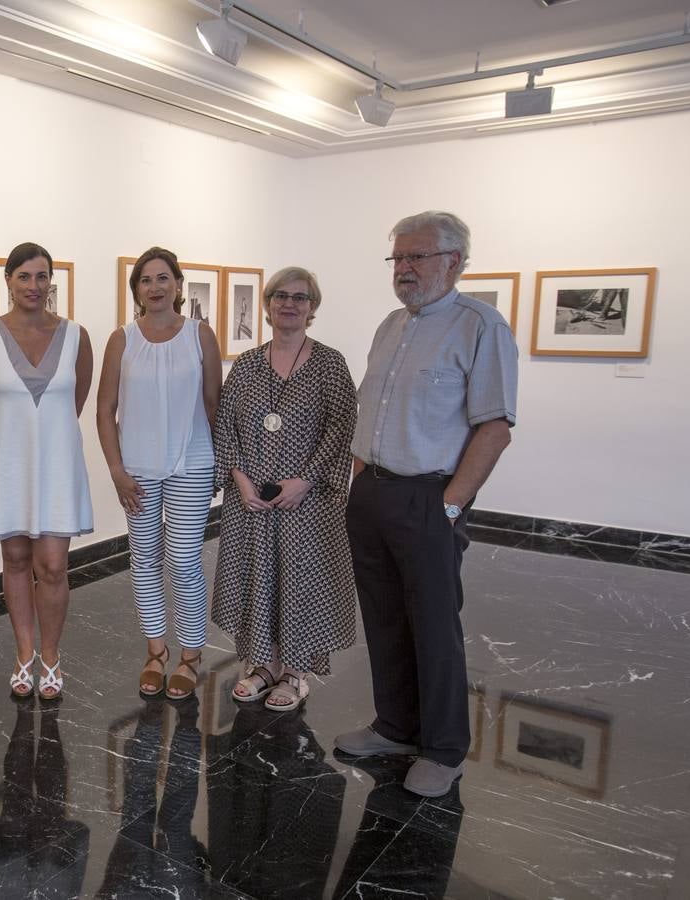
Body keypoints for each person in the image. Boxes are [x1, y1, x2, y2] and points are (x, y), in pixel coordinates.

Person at [336, 210, 518, 798]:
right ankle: (395, 727)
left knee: (434, 626)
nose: (404, 270)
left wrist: (449, 505)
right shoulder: (391, 325)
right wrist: (359, 481)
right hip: (372, 492)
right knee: (384, 618)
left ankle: (443, 749)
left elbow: (494, 427)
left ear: (454, 262)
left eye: (416, 258)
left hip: (429, 497)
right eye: (398, 258)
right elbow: (374, 415)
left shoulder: (480, 327)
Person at [211, 266, 358, 712]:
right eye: (280, 296)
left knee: (299, 581)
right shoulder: (247, 364)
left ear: (312, 308)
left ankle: (296, 672)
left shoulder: (329, 364)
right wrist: (239, 478)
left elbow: (343, 424)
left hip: (306, 502)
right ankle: (264, 665)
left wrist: (306, 479)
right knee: (260, 577)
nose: (289, 304)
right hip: (252, 500)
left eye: (300, 297)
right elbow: (226, 425)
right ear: (268, 304)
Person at [0, 242, 93, 700]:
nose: (34, 286)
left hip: (56, 467)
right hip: (9, 466)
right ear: (8, 281)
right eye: (24, 277)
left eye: (42, 277)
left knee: (54, 566)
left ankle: (52, 655)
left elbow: (73, 404)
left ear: (51, 282)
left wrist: (44, 438)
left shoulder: (77, 336)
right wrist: (17, 442)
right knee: (16, 560)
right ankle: (24, 654)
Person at [96, 247, 220, 701]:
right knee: (144, 560)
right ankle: (155, 651)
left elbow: (213, 405)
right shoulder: (121, 340)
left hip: (192, 464)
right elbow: (105, 410)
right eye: (145, 280)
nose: (155, 287)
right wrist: (116, 470)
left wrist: (220, 464)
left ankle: (191, 653)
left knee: (185, 560)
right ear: (136, 290)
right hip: (137, 472)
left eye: (163, 278)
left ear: (178, 285)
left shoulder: (200, 335)